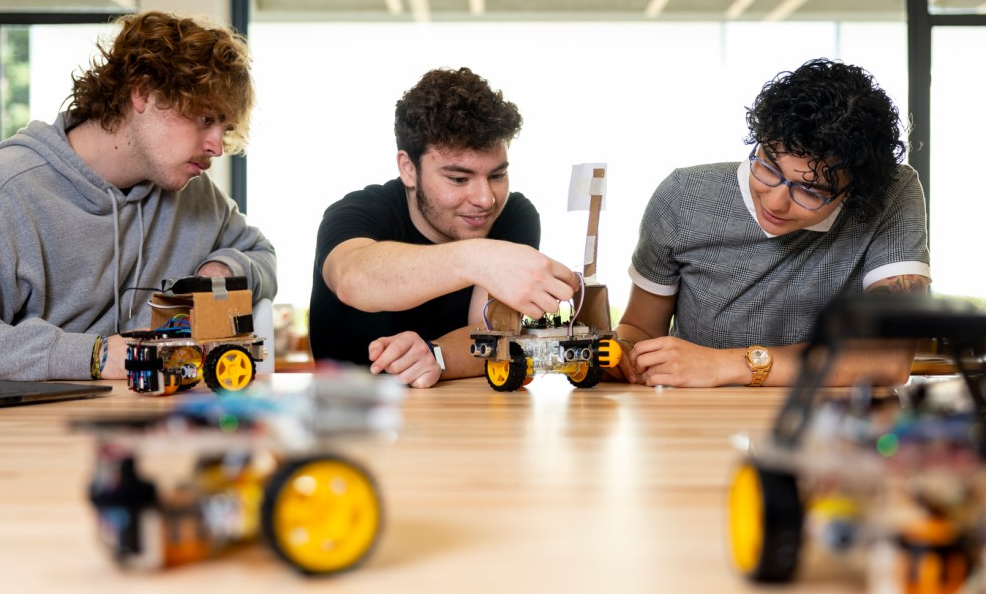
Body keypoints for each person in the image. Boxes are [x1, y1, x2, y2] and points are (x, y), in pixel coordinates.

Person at [0, 11, 277, 381]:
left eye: (224, 128)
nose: (216, 147)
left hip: (157, 426)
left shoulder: (195, 194)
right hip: (35, 433)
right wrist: (96, 355)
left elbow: (262, 256)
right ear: (143, 92)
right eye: (205, 119)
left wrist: (222, 271)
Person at [614, 58, 929, 388]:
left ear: (857, 191)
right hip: (696, 421)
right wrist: (624, 357)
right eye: (769, 167)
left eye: (810, 189)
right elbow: (639, 332)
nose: (775, 202)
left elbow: (889, 359)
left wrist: (728, 364)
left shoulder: (892, 193)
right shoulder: (683, 195)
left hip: (826, 425)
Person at [309, 67, 577, 388]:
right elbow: (353, 278)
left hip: (459, 414)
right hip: (350, 415)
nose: (485, 199)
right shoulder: (357, 211)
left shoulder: (515, 214)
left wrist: (436, 355)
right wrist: (480, 259)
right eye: (458, 179)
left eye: (496, 175)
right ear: (409, 169)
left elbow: (491, 329)